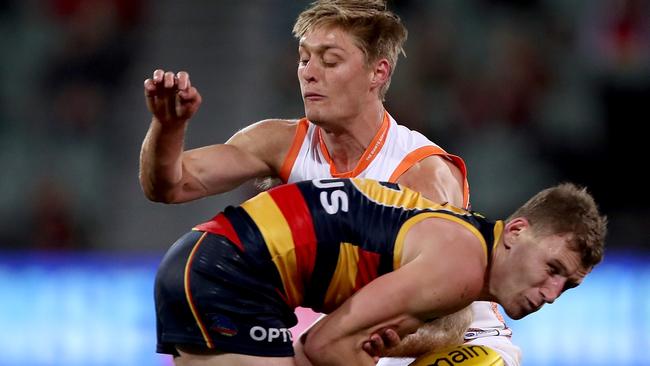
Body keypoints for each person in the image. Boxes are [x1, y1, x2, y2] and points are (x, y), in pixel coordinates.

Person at [140, 0, 515, 363]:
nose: (309, 72)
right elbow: (171, 186)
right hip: (364, 332)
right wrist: (168, 127)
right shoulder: (279, 142)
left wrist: (333, 344)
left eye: (330, 60)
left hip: (458, 340)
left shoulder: (421, 173)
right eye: (304, 58)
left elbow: (451, 318)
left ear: (378, 72)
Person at [154, 178, 607, 366]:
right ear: (517, 231)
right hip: (229, 272)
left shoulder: (462, 245)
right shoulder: (461, 270)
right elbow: (324, 344)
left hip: (214, 261)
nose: (551, 293)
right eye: (553, 268)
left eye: (566, 285)